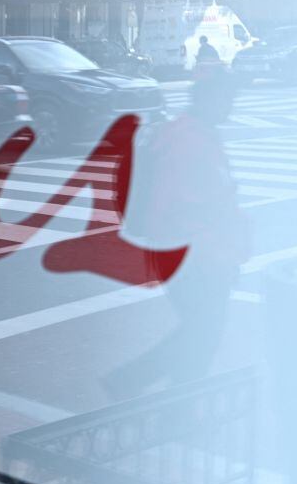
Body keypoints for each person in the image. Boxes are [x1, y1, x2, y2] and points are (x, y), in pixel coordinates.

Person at [103, 65, 248, 400]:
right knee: (203, 333)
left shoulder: (190, 134)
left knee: (200, 333)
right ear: (209, 99)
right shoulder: (189, 142)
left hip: (187, 252)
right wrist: (217, 258)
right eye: (227, 98)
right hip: (191, 255)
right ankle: (137, 385)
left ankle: (162, 399)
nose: (231, 106)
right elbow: (180, 208)